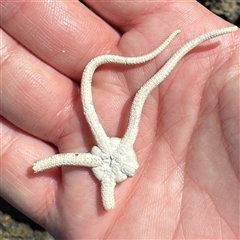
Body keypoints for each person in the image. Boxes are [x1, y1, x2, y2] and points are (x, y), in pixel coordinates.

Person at [1, 1, 239, 239]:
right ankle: (177, 47)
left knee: (140, 93)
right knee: (138, 92)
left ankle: (181, 46)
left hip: (114, 164)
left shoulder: (108, 162)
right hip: (111, 162)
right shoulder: (108, 159)